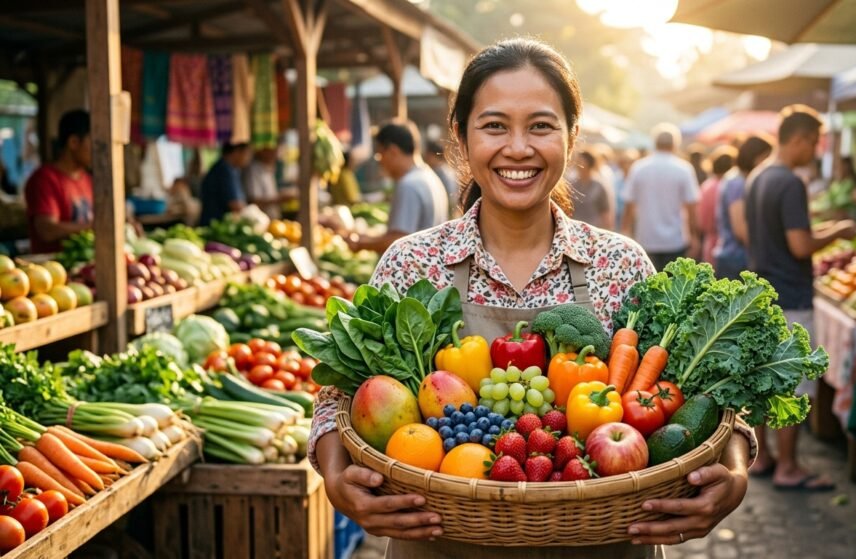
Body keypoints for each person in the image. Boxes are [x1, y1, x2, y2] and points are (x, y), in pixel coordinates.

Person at [310, 38, 754, 559]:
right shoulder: (413, 263)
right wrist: (335, 476)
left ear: (572, 136)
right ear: (461, 136)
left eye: (541, 126)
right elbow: (337, 396)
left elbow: (708, 397)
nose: (518, 148)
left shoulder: (621, 263)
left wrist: (735, 474)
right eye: (495, 126)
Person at [744, 105, 856, 491]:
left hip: (763, 293)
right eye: (814, 142)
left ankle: (762, 457)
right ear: (798, 138)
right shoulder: (790, 182)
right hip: (790, 294)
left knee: (762, 380)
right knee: (790, 383)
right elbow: (800, 245)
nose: (816, 150)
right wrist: (839, 230)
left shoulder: (758, 175)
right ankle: (788, 466)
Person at [346, 120, 449, 253]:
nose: (380, 162)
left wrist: (361, 243)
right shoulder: (429, 176)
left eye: (380, 155)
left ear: (393, 151)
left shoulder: (409, 185)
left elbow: (399, 241)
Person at [621, 124, 701, 270]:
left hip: (645, 239)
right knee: (673, 283)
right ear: (675, 144)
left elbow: (629, 204)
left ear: (654, 142)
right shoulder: (684, 169)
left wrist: (625, 231)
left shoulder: (639, 168)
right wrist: (694, 236)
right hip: (675, 240)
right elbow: (691, 207)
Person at [24, 110, 95, 253]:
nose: (97, 149)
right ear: (74, 142)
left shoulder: (88, 180)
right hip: (52, 264)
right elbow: (47, 230)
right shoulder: (44, 179)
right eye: (93, 142)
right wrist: (94, 226)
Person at [714, 135, 773, 280]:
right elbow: (740, 230)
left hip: (735, 257)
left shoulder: (738, 179)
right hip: (736, 260)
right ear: (756, 157)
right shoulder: (737, 182)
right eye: (766, 157)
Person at [696, 146, 735, 266]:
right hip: (728, 244)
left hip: (709, 243)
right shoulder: (729, 186)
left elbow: (701, 222)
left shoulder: (706, 186)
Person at [199, 142, 250, 226]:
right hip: (215, 226)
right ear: (236, 151)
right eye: (247, 153)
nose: (248, 158)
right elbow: (235, 205)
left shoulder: (233, 170)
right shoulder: (224, 171)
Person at [570, 149, 615, 229]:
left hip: (594, 229)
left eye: (581, 161)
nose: (578, 164)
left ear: (589, 163)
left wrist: (608, 229)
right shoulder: (573, 184)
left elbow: (606, 211)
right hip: (575, 229)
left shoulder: (599, 185)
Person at [244, 147, 282, 219]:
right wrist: (281, 198)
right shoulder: (253, 170)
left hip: (273, 219)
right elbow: (254, 201)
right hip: (260, 219)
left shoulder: (268, 169)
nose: (275, 156)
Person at [423, 138, 459, 213]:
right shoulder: (447, 171)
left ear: (432, 155)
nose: (426, 159)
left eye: (428, 156)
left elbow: (451, 199)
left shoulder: (442, 173)